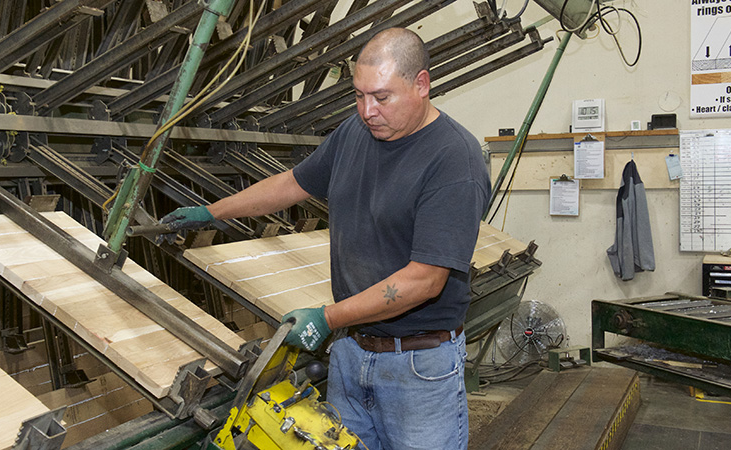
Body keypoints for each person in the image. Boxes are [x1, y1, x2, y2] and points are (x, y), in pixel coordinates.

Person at [160, 27, 490, 450]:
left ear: (422, 85)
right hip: (351, 354)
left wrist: (327, 317)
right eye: (358, 95)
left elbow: (424, 280)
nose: (368, 110)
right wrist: (210, 212)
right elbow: (291, 185)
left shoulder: (453, 160)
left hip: (417, 368)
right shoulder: (355, 133)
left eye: (382, 97)